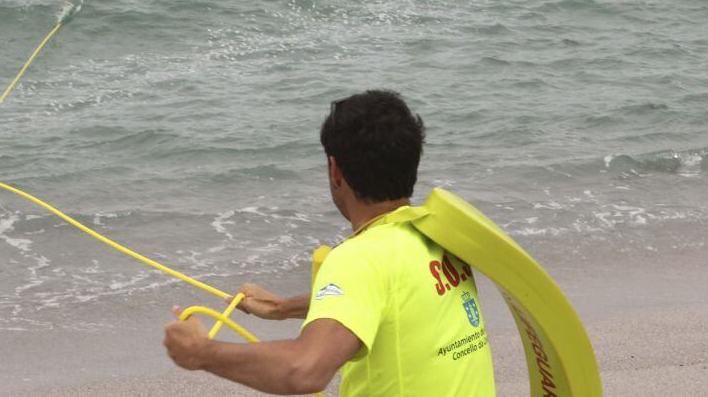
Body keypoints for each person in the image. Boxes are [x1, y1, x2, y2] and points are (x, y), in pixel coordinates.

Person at [163, 90, 496, 395]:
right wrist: (282, 309)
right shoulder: (439, 237)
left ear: (335, 170)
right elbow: (387, 301)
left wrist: (201, 353)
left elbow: (304, 370)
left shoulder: (360, 258)